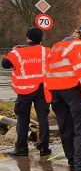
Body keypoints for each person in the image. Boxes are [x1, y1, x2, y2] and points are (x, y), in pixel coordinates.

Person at [44, 26, 81, 171]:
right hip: (71, 90)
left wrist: (47, 93)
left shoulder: (56, 46)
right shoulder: (79, 45)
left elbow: (47, 71)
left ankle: (73, 163)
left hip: (56, 92)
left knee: (65, 128)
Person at [1, 27, 51, 157]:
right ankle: (44, 147)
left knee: (23, 119)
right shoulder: (46, 51)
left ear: (28, 38)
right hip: (42, 89)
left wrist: (14, 49)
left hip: (24, 91)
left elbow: (4, 64)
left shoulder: (17, 52)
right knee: (43, 118)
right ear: (40, 39)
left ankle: (21, 148)